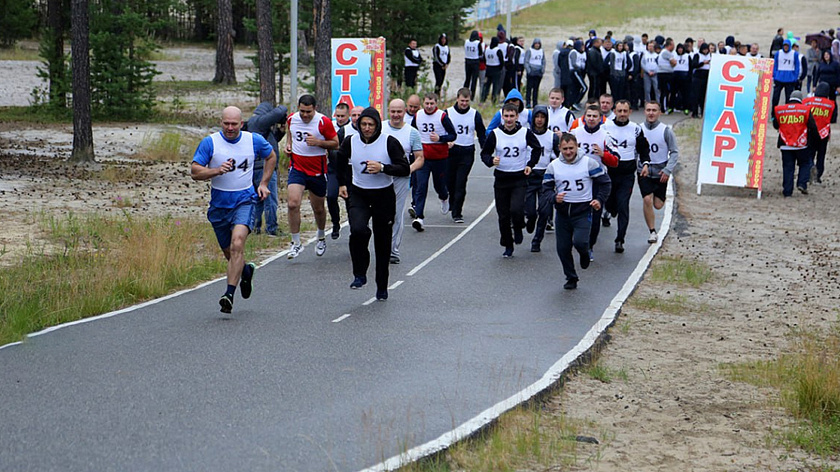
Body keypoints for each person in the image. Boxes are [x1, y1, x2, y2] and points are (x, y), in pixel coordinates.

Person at [191, 106, 276, 313]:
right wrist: (216, 170)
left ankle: (228, 294)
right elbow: (195, 171)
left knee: (237, 244)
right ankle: (246, 272)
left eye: (234, 124)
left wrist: (263, 183)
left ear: (241, 123)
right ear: (221, 122)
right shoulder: (210, 143)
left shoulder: (252, 140)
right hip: (219, 205)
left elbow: (271, 156)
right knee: (230, 254)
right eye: (226, 123)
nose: (230, 128)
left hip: (245, 201)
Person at [336, 107, 410, 301]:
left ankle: (382, 285)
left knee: (383, 243)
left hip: (383, 195)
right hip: (358, 193)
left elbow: (404, 168)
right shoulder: (350, 142)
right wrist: (342, 183)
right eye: (363, 124)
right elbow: (339, 162)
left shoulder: (389, 142)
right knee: (358, 230)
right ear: (358, 125)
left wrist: (383, 168)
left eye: (371, 125)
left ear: (377, 125)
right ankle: (359, 274)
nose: (367, 128)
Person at [541, 133, 611, 290]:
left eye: (571, 148)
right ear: (559, 148)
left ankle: (585, 253)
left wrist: (599, 200)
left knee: (580, 242)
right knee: (562, 248)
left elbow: (605, 183)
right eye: (564, 149)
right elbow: (545, 188)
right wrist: (554, 197)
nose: (568, 152)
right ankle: (571, 277)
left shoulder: (589, 163)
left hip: (582, 211)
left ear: (577, 147)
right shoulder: (553, 166)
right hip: (563, 213)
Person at [481, 102, 542, 258]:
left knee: (516, 209)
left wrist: (530, 164)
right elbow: (485, 153)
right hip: (501, 179)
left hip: (519, 178)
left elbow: (536, 148)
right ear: (502, 117)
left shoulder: (524, 132)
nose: (508, 119)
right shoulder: (495, 133)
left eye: (511, 116)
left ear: (516, 117)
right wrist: (491, 160)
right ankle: (508, 244)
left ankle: (518, 227)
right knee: (503, 215)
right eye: (506, 116)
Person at [284, 94, 339, 259]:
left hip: (317, 170)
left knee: (319, 209)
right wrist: (288, 146)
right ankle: (296, 242)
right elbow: (290, 134)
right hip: (297, 168)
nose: (305, 115)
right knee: (293, 204)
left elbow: (335, 143)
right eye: (302, 111)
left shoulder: (323, 122)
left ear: (314, 109)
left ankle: (321, 236)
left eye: (308, 112)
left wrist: (319, 142)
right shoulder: (292, 119)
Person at [604, 99, 650, 253]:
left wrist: (645, 164)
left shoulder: (635, 129)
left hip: (627, 174)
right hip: (609, 172)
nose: (622, 114)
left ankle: (620, 240)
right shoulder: (605, 127)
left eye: (625, 111)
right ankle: (608, 211)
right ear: (614, 111)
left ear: (630, 112)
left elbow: (644, 149)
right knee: (610, 204)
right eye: (619, 111)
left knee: (623, 205)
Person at [572, 105, 618, 256]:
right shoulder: (575, 133)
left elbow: (616, 161)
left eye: (594, 116)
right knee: (576, 212)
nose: (591, 119)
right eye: (589, 116)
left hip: (597, 179)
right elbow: (563, 154)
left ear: (600, 119)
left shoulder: (606, 135)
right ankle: (577, 239)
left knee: (595, 215)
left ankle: (590, 245)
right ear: (584, 117)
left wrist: (603, 154)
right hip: (577, 179)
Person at [384, 99, 424, 265]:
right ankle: (382, 246)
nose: (396, 115)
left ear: (404, 112)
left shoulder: (412, 132)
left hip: (401, 178)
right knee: (381, 213)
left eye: (399, 112)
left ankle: (393, 250)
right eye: (393, 111)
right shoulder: (380, 128)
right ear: (388, 111)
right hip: (381, 176)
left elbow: (420, 157)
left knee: (396, 214)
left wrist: (410, 169)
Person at [410, 92, 456, 231]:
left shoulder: (442, 116)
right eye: (427, 103)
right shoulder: (418, 116)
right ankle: (419, 217)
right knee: (421, 187)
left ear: (436, 103)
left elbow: (453, 134)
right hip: (423, 157)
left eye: (432, 103)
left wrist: (440, 138)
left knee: (439, 185)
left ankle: (444, 197)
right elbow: (412, 132)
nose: (429, 106)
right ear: (423, 104)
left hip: (439, 158)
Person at [639, 101, 678, 243]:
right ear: (644, 112)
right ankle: (652, 231)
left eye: (654, 110)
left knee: (658, 205)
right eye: (648, 110)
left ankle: (659, 195)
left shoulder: (665, 130)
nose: (651, 113)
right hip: (645, 171)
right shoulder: (639, 129)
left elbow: (674, 152)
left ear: (659, 113)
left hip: (661, 171)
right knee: (647, 199)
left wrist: (668, 170)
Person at [245, 101, 287, 237]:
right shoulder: (258, 121)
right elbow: (279, 112)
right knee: (270, 199)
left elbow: (269, 142)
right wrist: (282, 109)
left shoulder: (253, 125)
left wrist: (280, 132)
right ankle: (272, 228)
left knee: (258, 200)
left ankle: (255, 227)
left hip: (255, 167)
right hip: (264, 168)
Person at [446, 87, 487, 224]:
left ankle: (458, 212)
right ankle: (452, 201)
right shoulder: (448, 113)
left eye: (467, 101)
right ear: (457, 99)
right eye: (462, 101)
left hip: (467, 151)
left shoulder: (475, 114)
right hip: (451, 152)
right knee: (449, 181)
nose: (464, 103)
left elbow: (481, 133)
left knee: (461, 182)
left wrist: (485, 149)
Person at [524, 106, 559, 252]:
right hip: (530, 175)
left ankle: (537, 241)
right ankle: (531, 221)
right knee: (531, 211)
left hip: (546, 176)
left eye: (542, 117)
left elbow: (559, 156)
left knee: (545, 211)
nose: (539, 120)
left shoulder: (552, 137)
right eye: (537, 117)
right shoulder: (526, 134)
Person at [773, 90, 818, 196]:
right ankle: (802, 183)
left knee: (788, 167)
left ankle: (787, 191)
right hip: (801, 144)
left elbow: (776, 125)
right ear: (800, 99)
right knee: (804, 163)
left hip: (785, 144)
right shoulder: (805, 110)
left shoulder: (780, 109)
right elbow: (812, 126)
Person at [327, 102, 351, 240]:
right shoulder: (330, 126)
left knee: (349, 199)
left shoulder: (351, 128)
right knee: (331, 196)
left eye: (343, 116)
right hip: (333, 169)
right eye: (338, 116)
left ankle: (352, 223)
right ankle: (335, 223)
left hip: (348, 170)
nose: (340, 119)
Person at [803, 83, 836, 184]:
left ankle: (810, 168)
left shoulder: (806, 102)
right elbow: (833, 119)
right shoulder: (831, 104)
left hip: (810, 132)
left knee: (809, 153)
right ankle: (818, 176)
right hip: (824, 133)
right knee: (821, 155)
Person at [772, 40, 800, 108]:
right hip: (779, 78)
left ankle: (787, 112)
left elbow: (797, 66)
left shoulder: (794, 54)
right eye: (784, 45)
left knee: (788, 98)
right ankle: (773, 114)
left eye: (787, 46)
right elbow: (775, 64)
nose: (786, 47)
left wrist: (795, 77)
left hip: (790, 79)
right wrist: (774, 75)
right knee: (775, 98)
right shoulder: (778, 53)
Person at [814, 49, 840, 118]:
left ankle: (833, 117)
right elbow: (817, 75)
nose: (826, 56)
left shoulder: (835, 64)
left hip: (832, 86)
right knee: (822, 101)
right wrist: (814, 85)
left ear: (830, 55)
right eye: (825, 55)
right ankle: (823, 116)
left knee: (832, 101)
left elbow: (838, 75)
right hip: (822, 86)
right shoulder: (821, 64)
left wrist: (838, 86)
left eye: (827, 55)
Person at [690, 42, 712, 118]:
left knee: (704, 96)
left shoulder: (711, 55)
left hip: (706, 76)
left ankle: (703, 112)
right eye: (704, 50)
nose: (705, 51)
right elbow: (694, 65)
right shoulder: (697, 55)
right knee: (696, 95)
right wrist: (702, 63)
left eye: (706, 50)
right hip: (698, 77)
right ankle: (695, 112)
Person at [481, 36, 504, 104]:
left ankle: (483, 98)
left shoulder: (487, 49)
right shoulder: (498, 50)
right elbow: (501, 61)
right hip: (496, 69)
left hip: (488, 68)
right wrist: (500, 68)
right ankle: (494, 100)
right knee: (495, 86)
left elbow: (484, 59)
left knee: (486, 85)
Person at [524, 37, 545, 108]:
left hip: (538, 72)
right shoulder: (530, 51)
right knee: (529, 88)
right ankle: (528, 102)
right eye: (536, 44)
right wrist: (528, 70)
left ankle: (535, 102)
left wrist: (542, 70)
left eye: (538, 44)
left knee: (536, 88)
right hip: (531, 72)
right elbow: (526, 61)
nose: (537, 45)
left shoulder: (541, 51)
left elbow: (543, 61)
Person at [657, 38, 677, 113]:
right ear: (669, 45)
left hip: (664, 73)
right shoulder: (666, 52)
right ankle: (663, 108)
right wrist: (672, 64)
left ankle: (664, 107)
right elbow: (674, 62)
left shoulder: (664, 52)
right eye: (673, 45)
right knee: (665, 92)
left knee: (665, 91)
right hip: (665, 74)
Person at [464, 30, 483, 99]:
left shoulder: (466, 42)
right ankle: (472, 96)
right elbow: (480, 53)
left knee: (467, 79)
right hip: (475, 61)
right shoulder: (477, 43)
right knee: (474, 80)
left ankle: (464, 94)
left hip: (467, 61)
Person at [569, 40, 588, 109]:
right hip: (575, 72)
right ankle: (575, 102)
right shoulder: (574, 52)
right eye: (581, 46)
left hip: (581, 72)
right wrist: (579, 68)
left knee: (577, 88)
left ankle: (574, 102)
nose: (583, 47)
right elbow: (574, 63)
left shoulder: (584, 53)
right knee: (584, 87)